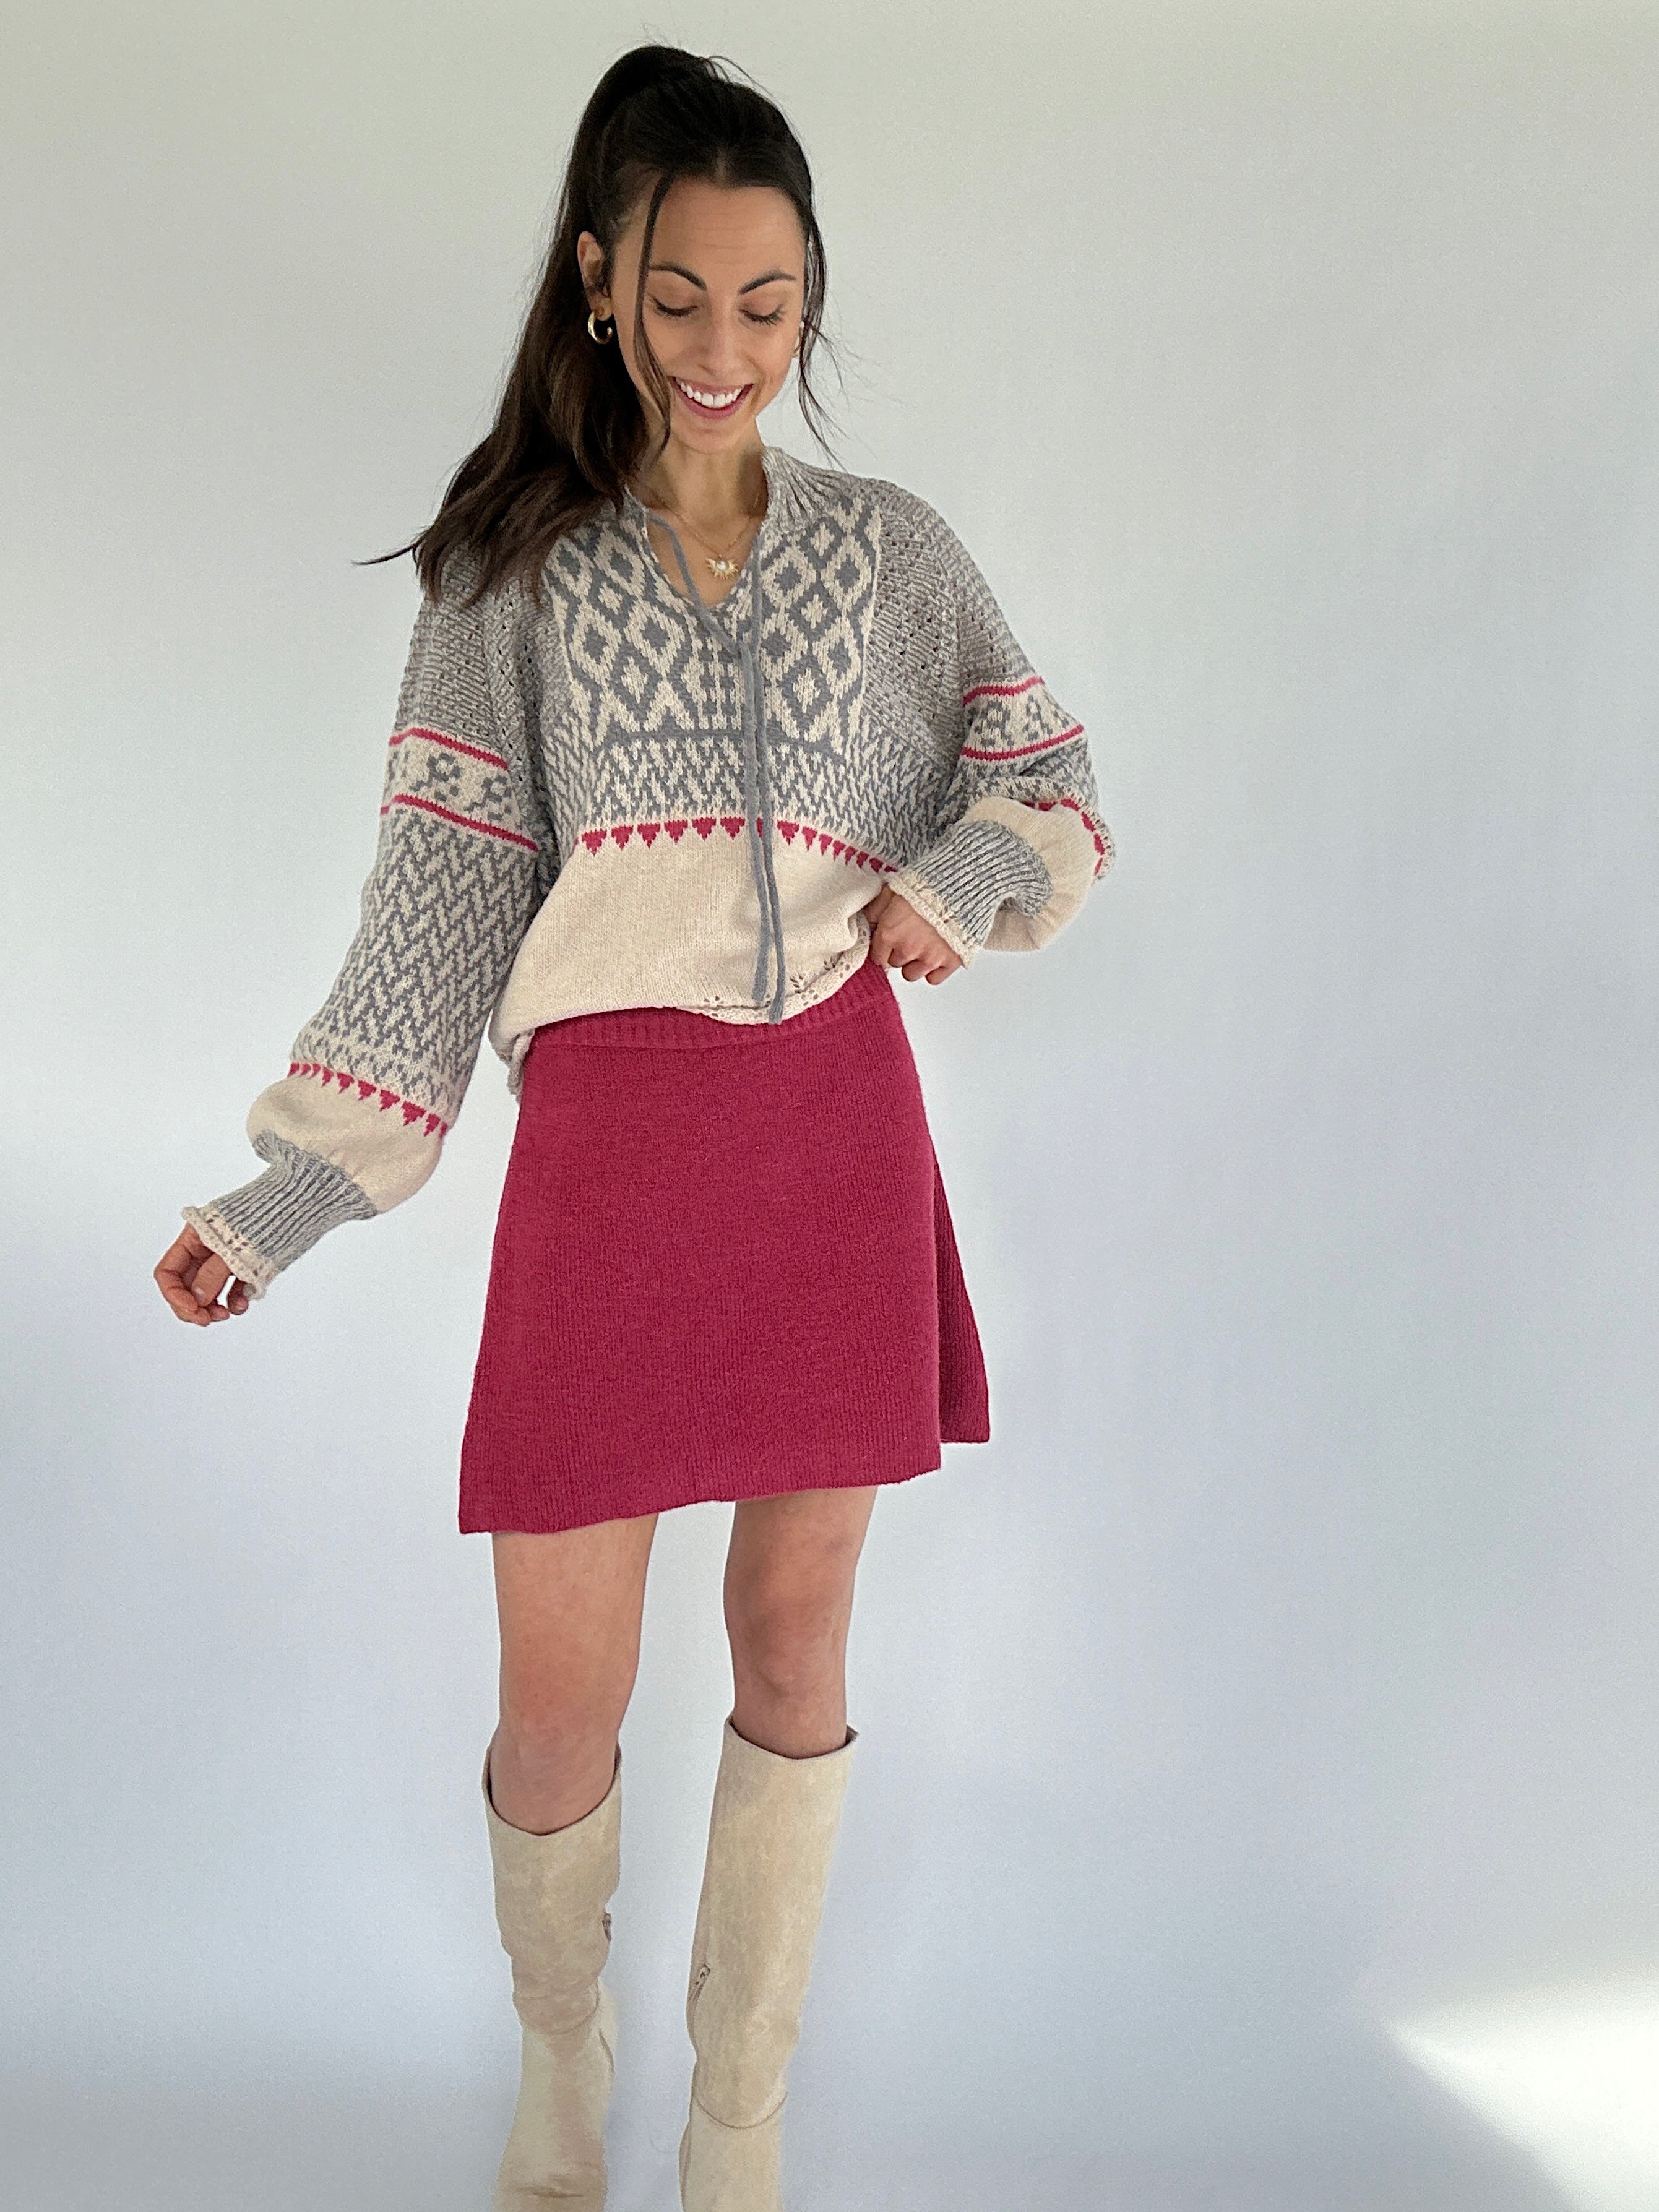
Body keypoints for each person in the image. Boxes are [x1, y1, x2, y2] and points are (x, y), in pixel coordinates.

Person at [153, 42, 1112, 2212]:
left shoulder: (892, 556)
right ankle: (560, 2057)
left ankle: (739, 2115)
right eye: (680, 296)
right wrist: (293, 1189)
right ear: (598, 278)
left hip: (831, 1131)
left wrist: (957, 882)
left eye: (769, 302)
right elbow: (435, 906)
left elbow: (1048, 779)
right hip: (610, 1149)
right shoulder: (506, 577)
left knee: (794, 1641)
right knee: (559, 1702)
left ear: (809, 295)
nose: (723, 346)